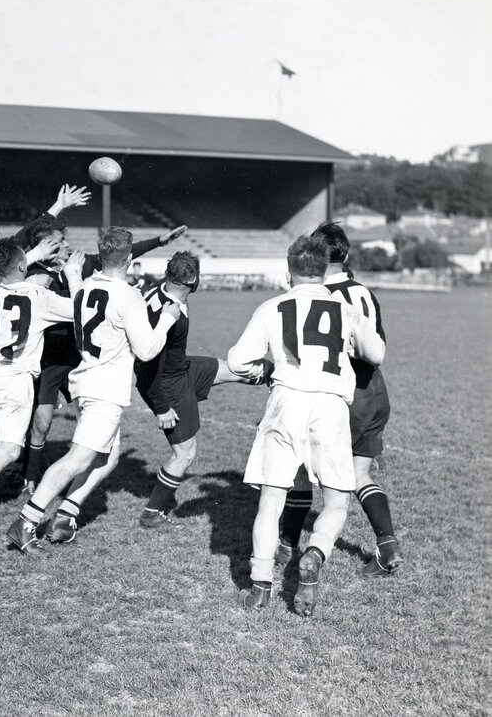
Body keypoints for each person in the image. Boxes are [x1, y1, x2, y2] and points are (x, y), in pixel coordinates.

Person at [227, 235, 385, 615]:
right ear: (324, 270)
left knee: (271, 498)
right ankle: (315, 552)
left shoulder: (272, 306)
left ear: (289, 273)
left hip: (287, 401)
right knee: (336, 502)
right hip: (331, 406)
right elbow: (376, 353)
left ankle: (260, 586)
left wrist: (263, 369)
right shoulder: (345, 309)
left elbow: (236, 361)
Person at [4, 227, 181, 556]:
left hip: (87, 381)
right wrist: (167, 319)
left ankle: (66, 514)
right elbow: (146, 350)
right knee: (78, 459)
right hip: (104, 389)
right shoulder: (127, 295)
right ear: (129, 259)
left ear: (101, 257)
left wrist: (72, 273)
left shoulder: (85, 288)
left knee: (109, 456)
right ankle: (26, 522)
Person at [274, 222, 404, 577]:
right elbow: (376, 345)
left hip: (336, 394)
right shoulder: (362, 291)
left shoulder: (311, 295)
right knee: (360, 473)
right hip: (374, 390)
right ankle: (387, 544)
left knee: (301, 468)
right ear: (345, 255)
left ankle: (286, 545)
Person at [0, 241, 84, 531]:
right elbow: (79, 308)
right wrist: (73, 272)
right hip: (15, 378)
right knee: (10, 449)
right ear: (23, 265)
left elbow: (0, 277)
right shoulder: (39, 296)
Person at [134, 252, 265, 532]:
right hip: (166, 383)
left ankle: (280, 378)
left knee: (235, 369)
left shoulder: (163, 288)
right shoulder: (170, 315)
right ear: (193, 279)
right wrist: (160, 406)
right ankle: (151, 513)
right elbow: (145, 367)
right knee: (185, 453)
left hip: (180, 368)